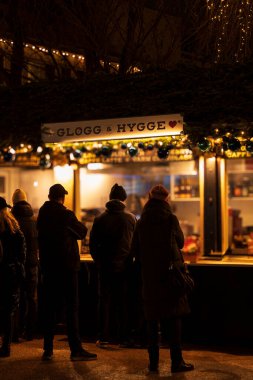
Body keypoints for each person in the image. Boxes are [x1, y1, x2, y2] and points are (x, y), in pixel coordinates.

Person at [130, 184, 194, 374]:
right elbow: (181, 243)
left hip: (150, 277)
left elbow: (134, 249)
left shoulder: (141, 222)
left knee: (152, 321)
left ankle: (153, 363)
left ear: (149, 199)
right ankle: (176, 362)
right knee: (173, 319)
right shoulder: (170, 218)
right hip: (170, 276)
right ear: (167, 200)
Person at [37, 183, 97, 361]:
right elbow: (82, 232)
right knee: (72, 309)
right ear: (62, 197)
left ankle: (48, 349)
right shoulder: (66, 214)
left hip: (48, 268)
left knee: (49, 308)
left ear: (49, 197)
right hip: (67, 268)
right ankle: (75, 349)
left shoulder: (42, 214)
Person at [89, 183, 136, 347]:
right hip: (124, 267)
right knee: (123, 302)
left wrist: (99, 261)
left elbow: (92, 245)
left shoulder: (100, 219)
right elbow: (135, 245)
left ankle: (103, 335)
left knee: (104, 302)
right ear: (124, 199)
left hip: (105, 267)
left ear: (110, 198)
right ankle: (123, 336)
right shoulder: (130, 218)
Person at [0, 197, 26, 357]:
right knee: (7, 312)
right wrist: (17, 266)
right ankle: (6, 346)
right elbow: (22, 252)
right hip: (10, 275)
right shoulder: (14, 227)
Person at [11, 189, 38, 341]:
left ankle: (16, 331)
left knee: (16, 298)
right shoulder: (34, 220)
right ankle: (30, 332)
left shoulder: (11, 221)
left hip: (16, 265)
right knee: (31, 298)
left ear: (13, 203)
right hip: (32, 264)